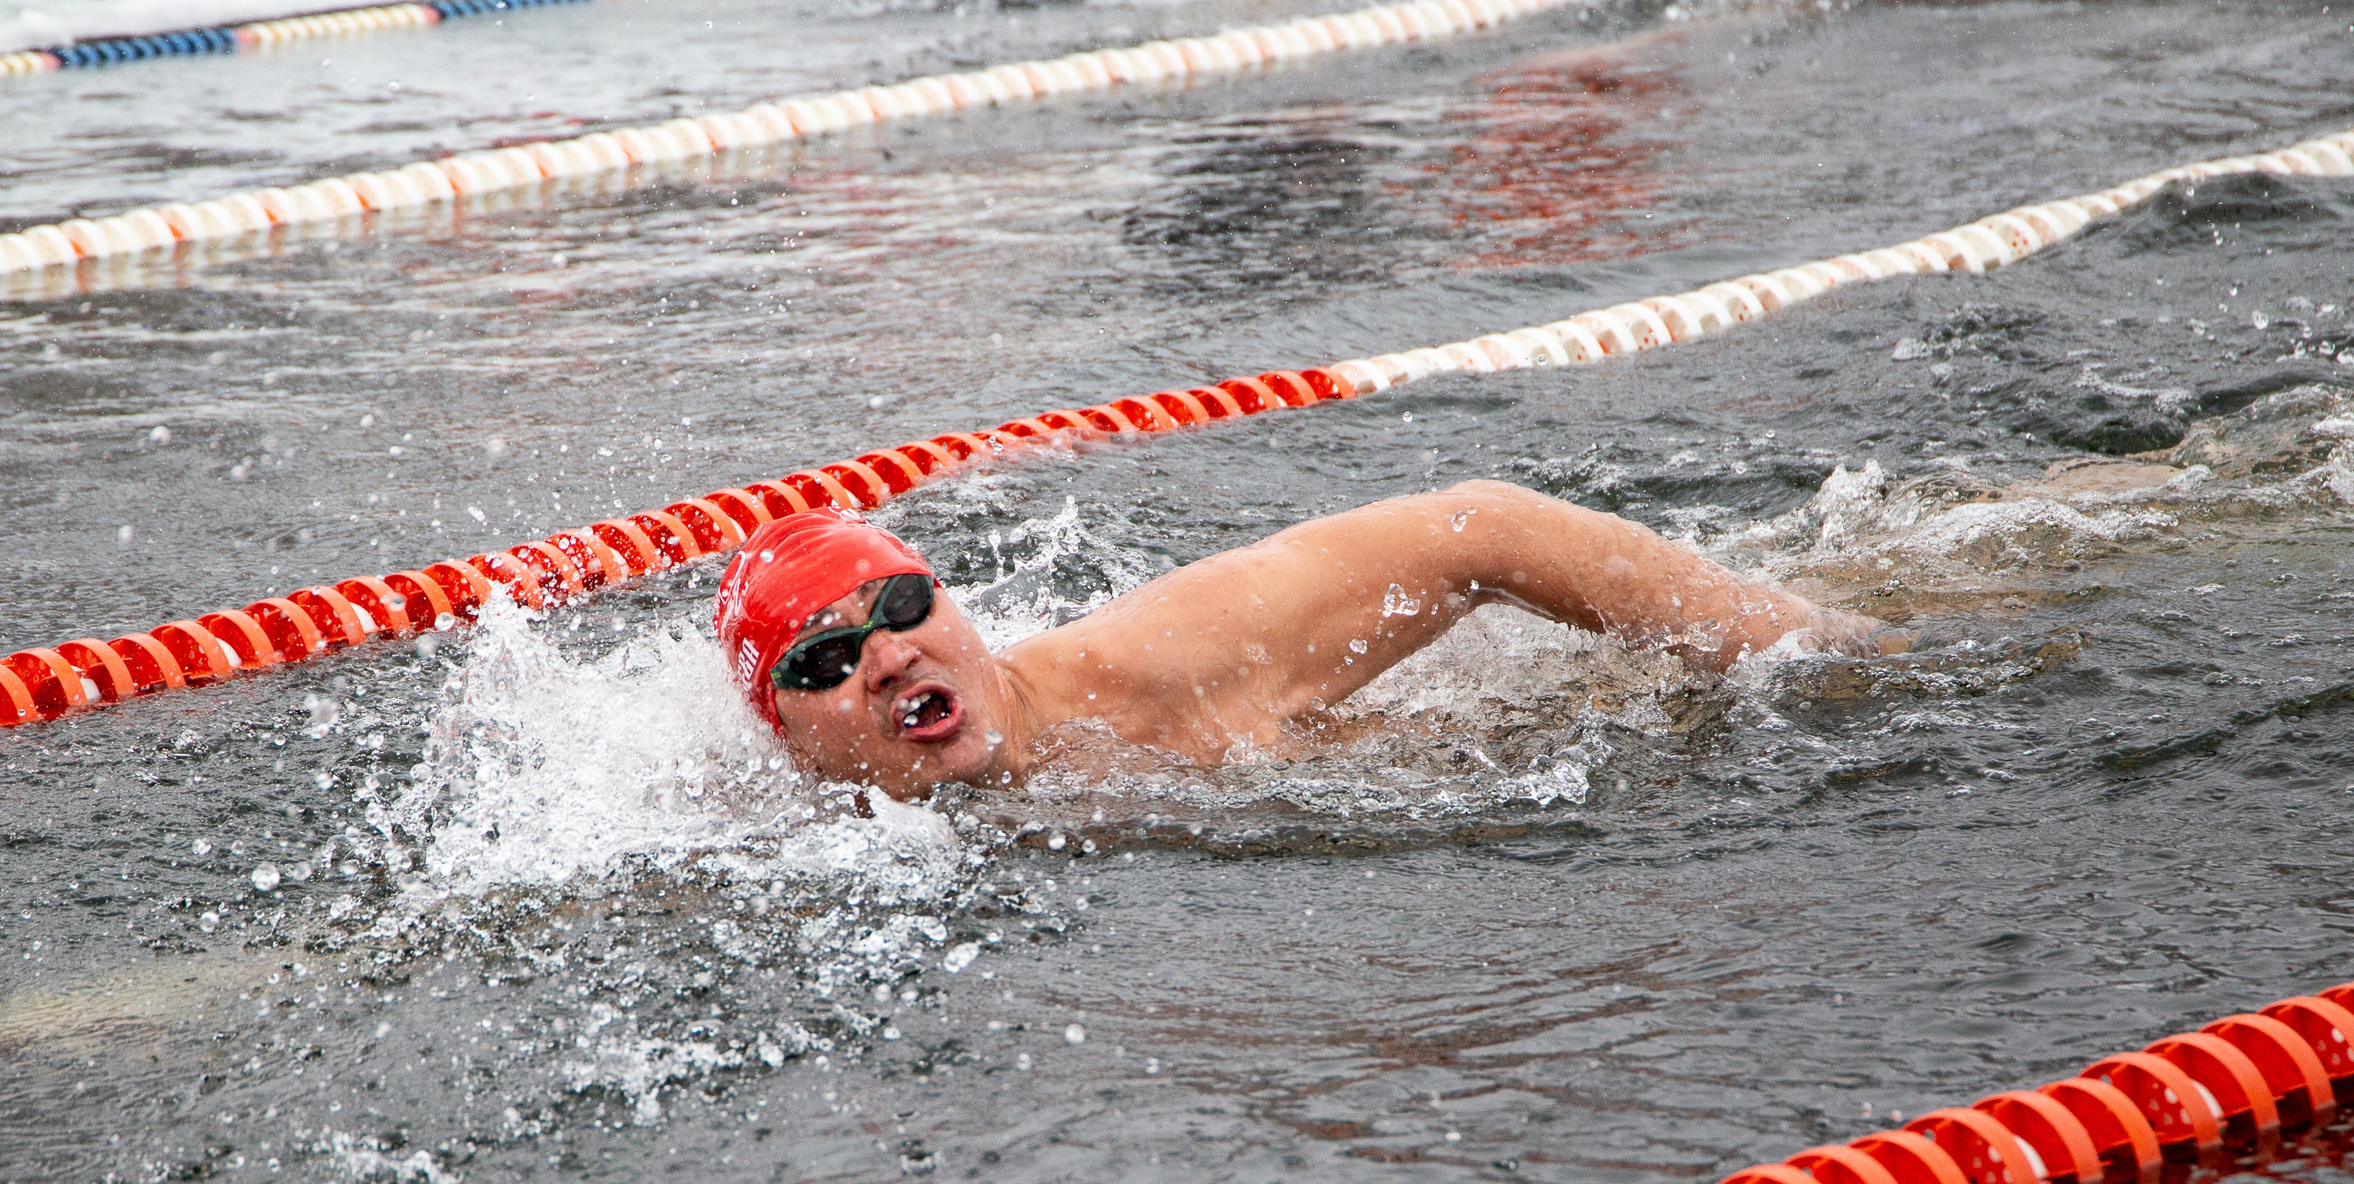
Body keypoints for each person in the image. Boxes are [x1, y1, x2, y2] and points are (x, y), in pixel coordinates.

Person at [715, 481, 1874, 799]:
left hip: (1625, 707)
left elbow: (1483, 528)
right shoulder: (801, 829)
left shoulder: (1154, 666)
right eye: (824, 661)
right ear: (786, 736)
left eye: (900, 608)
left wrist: (1792, 645)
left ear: (952, 609)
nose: (889, 657)